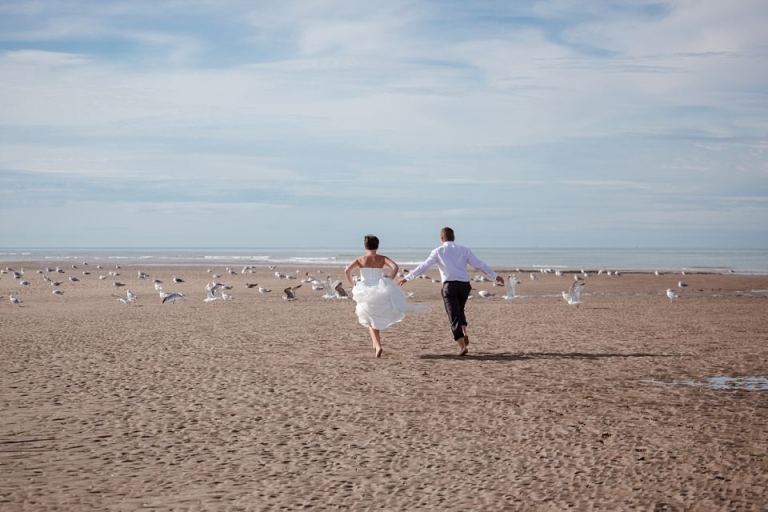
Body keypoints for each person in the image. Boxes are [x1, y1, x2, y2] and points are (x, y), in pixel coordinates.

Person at [397, 227, 503, 356]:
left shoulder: (438, 251)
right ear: (454, 237)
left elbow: (424, 266)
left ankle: (462, 347)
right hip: (464, 286)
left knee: (453, 316)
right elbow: (479, 264)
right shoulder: (464, 250)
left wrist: (407, 277)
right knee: (460, 310)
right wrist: (494, 276)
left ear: (441, 238)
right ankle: (464, 332)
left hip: (450, 287)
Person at [345, 234, 428, 358]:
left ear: (365, 246)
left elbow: (347, 271)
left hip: (365, 290)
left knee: (370, 319)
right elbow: (395, 267)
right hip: (380, 289)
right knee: (372, 318)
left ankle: (377, 346)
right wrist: (389, 279)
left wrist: (353, 285)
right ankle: (375, 345)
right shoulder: (382, 258)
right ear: (377, 246)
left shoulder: (360, 259)